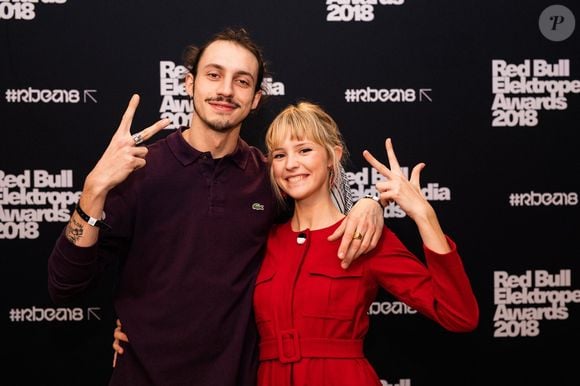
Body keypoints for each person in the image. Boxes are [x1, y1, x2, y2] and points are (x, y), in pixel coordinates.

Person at [47, 28, 384, 386]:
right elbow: (65, 286)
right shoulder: (139, 170)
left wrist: (367, 202)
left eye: (241, 81)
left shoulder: (270, 178)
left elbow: (325, 202)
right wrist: (93, 191)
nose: (225, 89)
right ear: (189, 84)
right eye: (214, 75)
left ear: (256, 99)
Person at [114, 101, 480, 385]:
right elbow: (206, 292)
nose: (291, 164)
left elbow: (459, 315)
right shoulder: (263, 236)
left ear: (333, 156)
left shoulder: (364, 235)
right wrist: (143, 330)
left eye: (304, 150)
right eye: (279, 155)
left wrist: (422, 215)